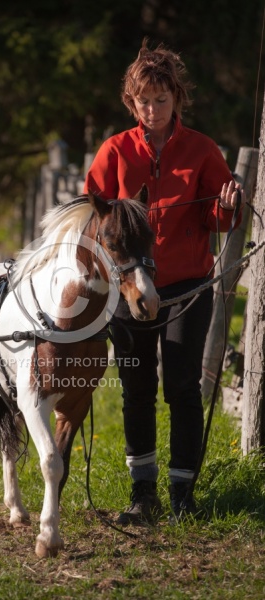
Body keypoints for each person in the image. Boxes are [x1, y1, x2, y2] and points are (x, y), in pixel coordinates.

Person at [83, 38, 245, 524]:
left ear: (177, 99)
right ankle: (142, 493)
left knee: (182, 386)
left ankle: (183, 495)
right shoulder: (113, 152)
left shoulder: (201, 150)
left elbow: (220, 219)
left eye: (162, 100)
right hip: (128, 292)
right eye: (143, 101)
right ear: (131, 103)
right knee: (135, 386)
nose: (152, 110)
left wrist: (229, 206)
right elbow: (90, 218)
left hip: (186, 288)